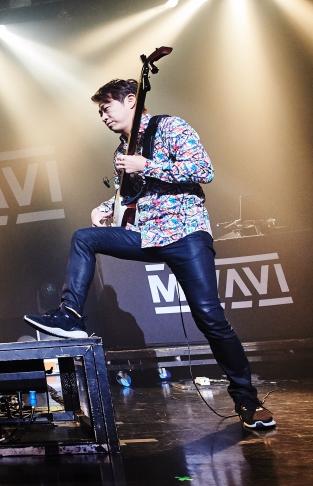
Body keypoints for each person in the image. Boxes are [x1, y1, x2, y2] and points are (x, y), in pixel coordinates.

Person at [24, 79, 275, 431]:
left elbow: (204, 170)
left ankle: (247, 399)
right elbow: (128, 198)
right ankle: (70, 316)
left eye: (106, 108)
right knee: (84, 238)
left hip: (185, 233)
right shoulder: (121, 152)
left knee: (210, 318)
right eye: (99, 112)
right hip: (146, 236)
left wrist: (147, 165)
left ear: (131, 100)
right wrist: (103, 209)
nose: (103, 117)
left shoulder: (169, 127)